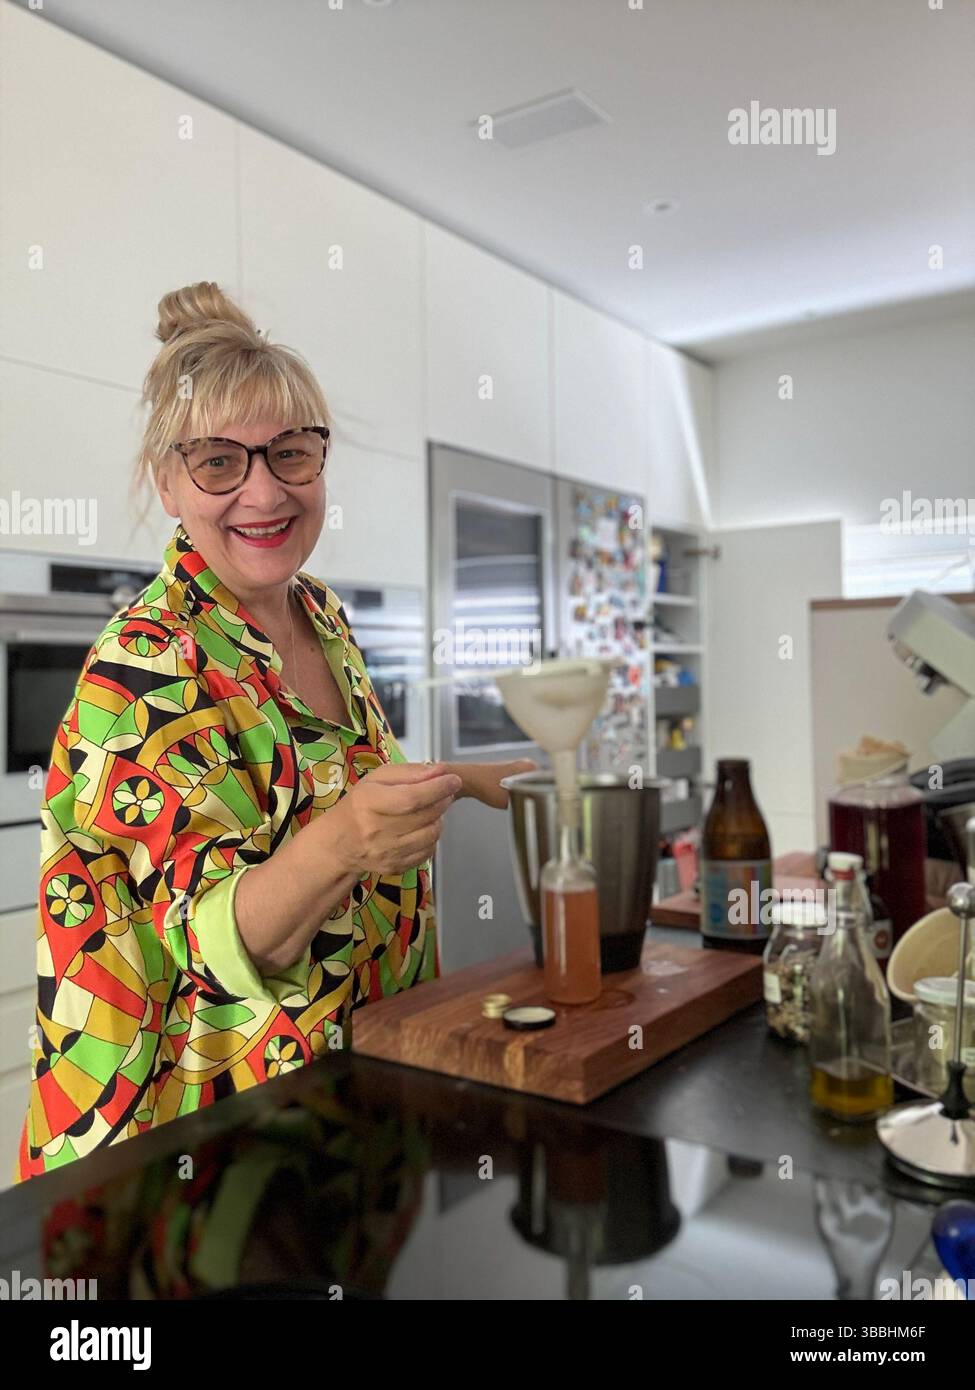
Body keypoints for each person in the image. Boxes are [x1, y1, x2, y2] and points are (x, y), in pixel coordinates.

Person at [16, 282, 533, 1181]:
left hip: (346, 1099)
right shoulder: (146, 665)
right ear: (166, 482)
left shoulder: (318, 612)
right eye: (219, 462)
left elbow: (324, 784)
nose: (265, 490)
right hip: (202, 1135)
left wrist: (470, 777)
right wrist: (345, 843)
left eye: (290, 453)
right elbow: (225, 944)